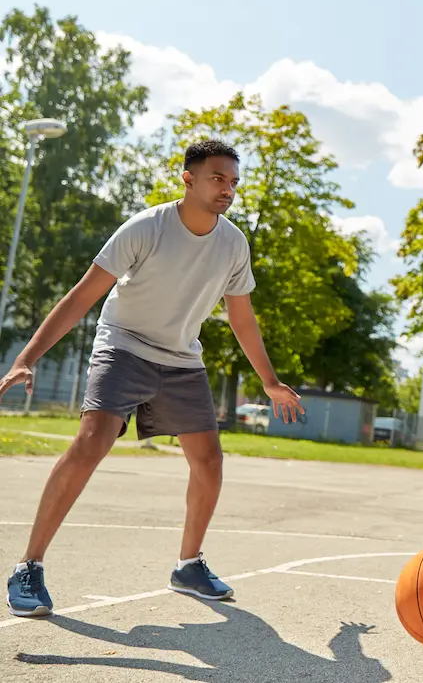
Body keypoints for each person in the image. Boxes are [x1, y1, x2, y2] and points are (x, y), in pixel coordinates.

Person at [3, 139, 304, 618]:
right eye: (217, 179)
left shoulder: (233, 243)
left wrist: (269, 381)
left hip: (181, 359)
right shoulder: (147, 227)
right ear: (188, 178)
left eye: (232, 182)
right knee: (92, 442)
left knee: (209, 460)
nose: (227, 189)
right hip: (123, 344)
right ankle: (28, 567)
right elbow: (82, 297)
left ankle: (188, 566)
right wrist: (28, 356)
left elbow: (242, 318)